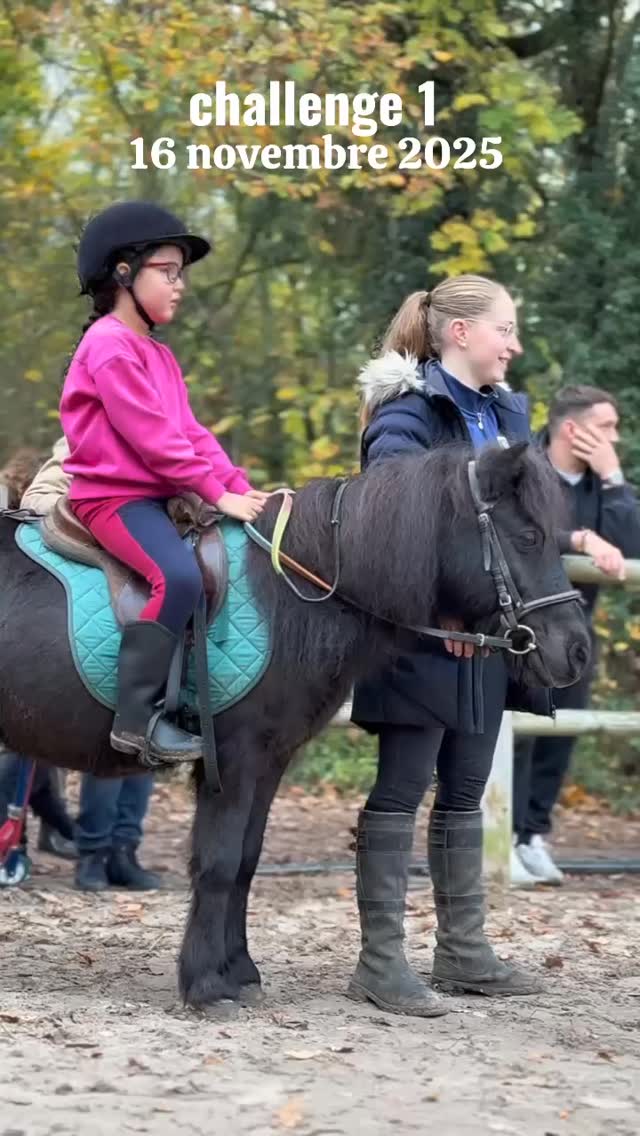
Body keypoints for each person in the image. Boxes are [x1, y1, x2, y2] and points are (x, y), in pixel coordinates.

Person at [349, 275, 554, 1018]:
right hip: (419, 634)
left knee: (466, 791)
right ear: (460, 333)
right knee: (401, 790)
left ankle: (464, 952)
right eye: (505, 328)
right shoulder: (405, 414)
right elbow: (388, 521)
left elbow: (520, 524)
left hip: (489, 638)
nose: (515, 344)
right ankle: (379, 964)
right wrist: (447, 611)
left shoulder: (505, 415)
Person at [59, 200, 270, 770]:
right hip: (112, 499)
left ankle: (188, 699)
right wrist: (212, 491)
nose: (180, 286)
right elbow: (152, 439)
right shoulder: (107, 345)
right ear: (123, 274)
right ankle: (137, 719)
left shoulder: (157, 354)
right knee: (176, 576)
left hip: (152, 498)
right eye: (168, 272)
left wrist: (241, 489)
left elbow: (191, 433)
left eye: (183, 274)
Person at [20, 437, 165, 890]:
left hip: (147, 590)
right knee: (112, 740)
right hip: (96, 591)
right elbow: (38, 500)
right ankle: (93, 854)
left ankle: (124, 848)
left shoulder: (155, 439)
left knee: (147, 737)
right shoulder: (78, 444)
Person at [512, 385, 640, 885]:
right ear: (572, 429)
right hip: (521, 628)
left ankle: (532, 835)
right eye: (606, 427)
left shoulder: (601, 485)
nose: (615, 437)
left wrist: (613, 478)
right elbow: (519, 531)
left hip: (576, 629)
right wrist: (579, 539)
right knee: (521, 730)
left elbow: (630, 550)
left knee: (562, 731)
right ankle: (506, 836)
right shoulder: (524, 469)